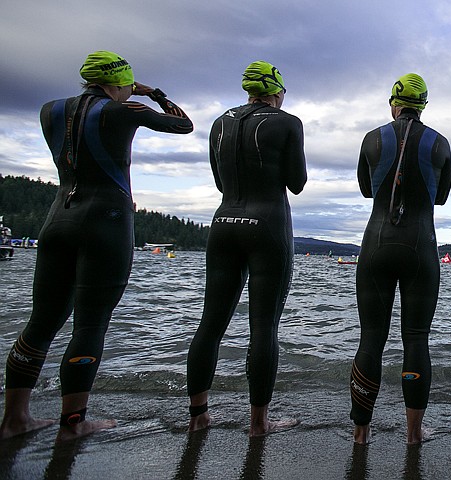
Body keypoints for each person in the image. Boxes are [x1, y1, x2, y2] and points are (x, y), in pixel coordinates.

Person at [0, 50, 193, 441]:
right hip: (106, 221)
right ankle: (73, 425)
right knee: (90, 324)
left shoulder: (49, 110)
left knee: (41, 322)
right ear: (121, 81)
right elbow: (183, 125)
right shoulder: (125, 111)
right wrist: (153, 93)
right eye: (127, 83)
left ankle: (14, 419)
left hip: (58, 219)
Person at [186, 60, 306, 435]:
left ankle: (198, 416)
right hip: (267, 225)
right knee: (263, 327)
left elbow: (221, 180)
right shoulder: (288, 122)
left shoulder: (219, 122)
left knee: (210, 323)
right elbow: (297, 182)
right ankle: (259, 423)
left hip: (223, 224)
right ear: (275, 91)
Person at [350, 73, 451, 444]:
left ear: (393, 102)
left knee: (371, 339)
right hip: (420, 246)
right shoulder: (440, 142)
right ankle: (413, 433)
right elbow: (439, 197)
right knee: (416, 340)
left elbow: (366, 189)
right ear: (424, 104)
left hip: (376, 244)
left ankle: (361, 434)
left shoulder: (371, 138)